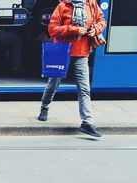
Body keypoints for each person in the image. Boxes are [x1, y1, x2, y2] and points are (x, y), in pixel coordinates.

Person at [37, 0, 106, 137]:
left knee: (84, 89)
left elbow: (101, 21)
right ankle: (44, 108)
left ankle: (87, 122)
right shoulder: (63, 6)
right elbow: (52, 30)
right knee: (53, 84)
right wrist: (72, 29)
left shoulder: (91, 4)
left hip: (82, 53)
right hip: (62, 51)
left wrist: (95, 30)